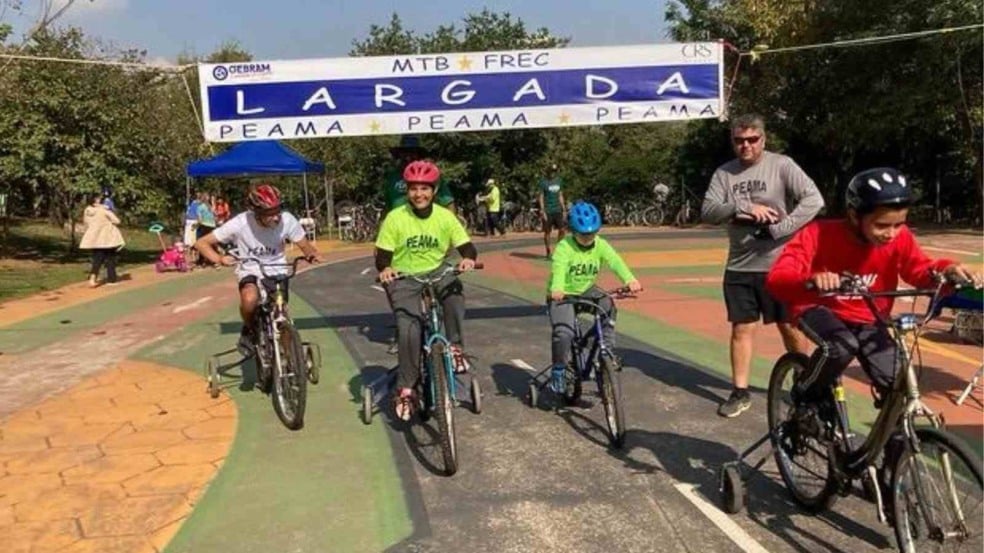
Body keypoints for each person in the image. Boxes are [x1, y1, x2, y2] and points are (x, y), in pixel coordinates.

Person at [765, 166, 983, 499]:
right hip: (819, 309)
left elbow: (918, 269)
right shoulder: (817, 234)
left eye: (899, 224)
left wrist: (946, 271)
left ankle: (889, 474)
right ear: (854, 216)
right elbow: (780, 277)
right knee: (840, 347)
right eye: (882, 225)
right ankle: (804, 393)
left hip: (870, 317)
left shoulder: (900, 238)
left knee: (898, 388)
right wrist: (811, 280)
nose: (891, 233)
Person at [702, 113, 825, 418]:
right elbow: (708, 211)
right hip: (740, 266)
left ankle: (804, 383)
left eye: (752, 140)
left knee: (790, 326)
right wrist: (746, 208)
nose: (746, 146)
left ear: (763, 140)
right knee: (742, 328)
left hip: (780, 264)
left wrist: (782, 228)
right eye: (739, 141)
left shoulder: (781, 165)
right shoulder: (724, 174)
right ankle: (740, 392)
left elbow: (814, 200)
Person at [376, 160, 478, 421]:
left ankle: (455, 348)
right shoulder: (396, 218)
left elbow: (466, 247)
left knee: (454, 294)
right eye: (413, 188)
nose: (418, 194)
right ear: (406, 191)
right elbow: (383, 256)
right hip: (404, 276)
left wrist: (467, 259)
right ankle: (407, 388)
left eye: (424, 188)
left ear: (434, 190)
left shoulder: (445, 217)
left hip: (437, 271)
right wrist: (386, 269)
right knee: (409, 328)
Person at [194, 184, 322, 357]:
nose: (276, 217)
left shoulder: (287, 220)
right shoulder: (240, 223)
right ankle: (249, 329)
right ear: (256, 212)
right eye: (270, 213)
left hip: (277, 267)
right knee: (249, 299)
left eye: (278, 210)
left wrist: (311, 255)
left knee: (281, 312)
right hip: (250, 267)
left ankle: (288, 359)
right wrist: (219, 259)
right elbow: (201, 243)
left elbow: (304, 244)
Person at [546, 201, 643, 393]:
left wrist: (630, 279)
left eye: (592, 233)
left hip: (586, 290)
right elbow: (559, 268)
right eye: (584, 234)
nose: (589, 238)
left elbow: (615, 262)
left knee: (608, 305)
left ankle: (606, 351)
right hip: (563, 294)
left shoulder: (601, 245)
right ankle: (558, 369)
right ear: (573, 231)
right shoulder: (564, 247)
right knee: (564, 333)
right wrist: (557, 288)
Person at [383, 135, 455, 215]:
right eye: (405, 152)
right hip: (398, 223)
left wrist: (450, 222)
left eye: (412, 152)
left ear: (418, 155)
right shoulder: (392, 177)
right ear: (400, 154)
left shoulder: (431, 175)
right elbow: (388, 205)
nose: (408, 156)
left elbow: (448, 202)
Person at [79, 193, 125, 287]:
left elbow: (86, 222)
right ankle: (111, 279)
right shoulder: (104, 210)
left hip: (95, 238)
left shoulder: (87, 210)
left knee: (97, 259)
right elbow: (117, 221)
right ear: (96, 199)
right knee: (110, 258)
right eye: (99, 198)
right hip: (107, 238)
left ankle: (92, 278)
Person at [538, 163, 567, 257]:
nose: (553, 173)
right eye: (551, 171)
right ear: (548, 172)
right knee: (547, 232)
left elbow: (560, 195)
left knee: (562, 230)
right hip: (548, 210)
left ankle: (559, 248)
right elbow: (541, 197)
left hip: (557, 209)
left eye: (555, 171)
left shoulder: (559, 181)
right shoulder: (543, 182)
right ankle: (548, 250)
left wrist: (564, 208)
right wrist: (542, 210)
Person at [195, 192, 218, 268]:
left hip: (204, 226)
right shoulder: (210, 206)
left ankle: (201, 262)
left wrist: (195, 225)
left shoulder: (200, 207)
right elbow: (215, 214)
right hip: (212, 226)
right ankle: (215, 261)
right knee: (211, 243)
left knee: (201, 243)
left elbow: (200, 219)